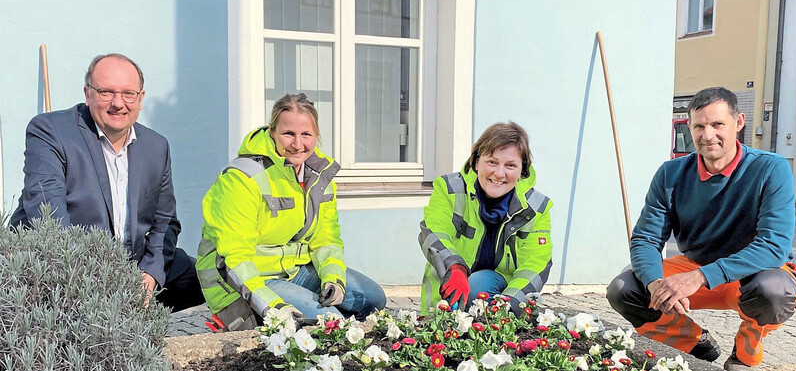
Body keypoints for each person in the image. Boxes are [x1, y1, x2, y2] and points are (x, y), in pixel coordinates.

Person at [606, 87, 796, 370]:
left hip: (751, 275)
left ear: (739, 122)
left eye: (717, 124)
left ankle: (745, 352)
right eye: (699, 126)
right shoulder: (670, 174)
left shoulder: (771, 169)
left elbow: (774, 246)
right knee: (624, 289)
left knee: (775, 291)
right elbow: (646, 239)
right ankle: (695, 342)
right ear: (690, 127)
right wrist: (655, 284)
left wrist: (699, 277)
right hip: (695, 266)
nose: (707, 135)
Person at [10, 53, 204, 312]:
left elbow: (165, 223)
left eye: (128, 94)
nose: (118, 103)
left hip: (131, 262)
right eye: (106, 92)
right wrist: (95, 283)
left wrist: (150, 275)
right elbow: (50, 222)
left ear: (141, 98)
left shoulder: (156, 146)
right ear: (87, 94)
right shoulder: (50, 132)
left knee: (206, 277)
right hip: (70, 268)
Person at [197, 93, 386, 331]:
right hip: (243, 278)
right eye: (288, 134)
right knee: (331, 322)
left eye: (306, 134)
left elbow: (326, 238)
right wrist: (272, 306)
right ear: (272, 131)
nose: (298, 145)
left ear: (316, 136)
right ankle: (249, 322)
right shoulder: (241, 179)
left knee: (373, 298)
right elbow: (234, 258)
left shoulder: (319, 176)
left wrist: (333, 278)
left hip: (292, 269)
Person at [418, 121, 553, 315]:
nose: (499, 173)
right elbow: (433, 231)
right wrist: (455, 267)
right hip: (446, 301)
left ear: (522, 170)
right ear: (475, 161)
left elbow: (536, 264)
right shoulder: (449, 189)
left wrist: (509, 306)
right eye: (492, 162)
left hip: (501, 297)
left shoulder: (536, 208)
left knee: (478, 284)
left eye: (510, 165)